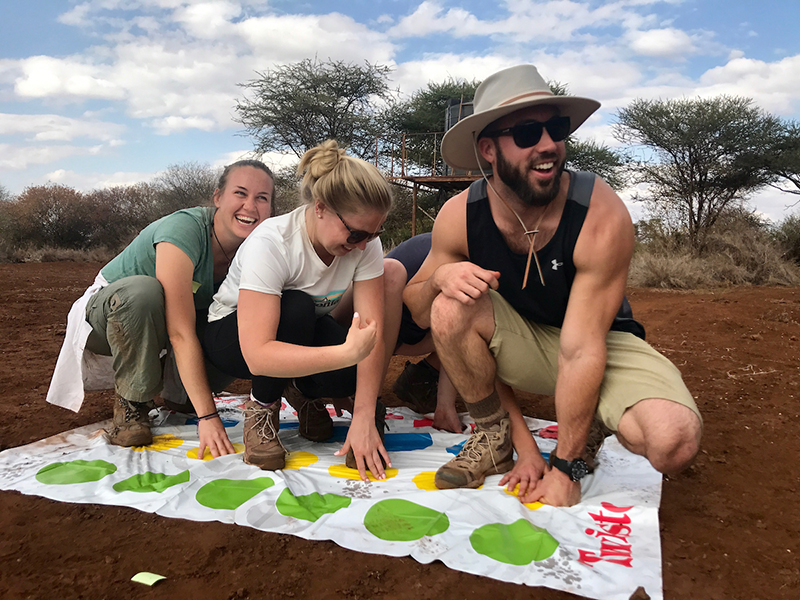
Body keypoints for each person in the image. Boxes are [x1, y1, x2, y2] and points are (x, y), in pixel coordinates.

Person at [403, 64, 702, 507]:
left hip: (600, 339)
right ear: (488, 149)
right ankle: (494, 440)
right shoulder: (459, 215)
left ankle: (590, 425)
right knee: (448, 306)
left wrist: (566, 465)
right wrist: (441, 277)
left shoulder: (599, 212)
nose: (548, 145)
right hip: (525, 341)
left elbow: (581, 348)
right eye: (526, 133)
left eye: (556, 128)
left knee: (671, 440)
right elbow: (417, 308)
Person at [46, 160, 275, 460]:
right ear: (218, 197)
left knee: (235, 318)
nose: (250, 206)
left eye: (262, 198)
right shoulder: (184, 230)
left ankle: (180, 396)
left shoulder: (260, 247)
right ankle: (132, 402)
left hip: (173, 328)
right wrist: (208, 417)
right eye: (240, 193)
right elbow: (179, 331)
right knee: (144, 292)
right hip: (112, 317)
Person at [204, 139, 393, 482]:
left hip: (302, 331)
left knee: (350, 373)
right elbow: (259, 355)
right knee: (297, 306)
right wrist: (346, 352)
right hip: (233, 339)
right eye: (355, 235)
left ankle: (302, 393)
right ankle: (262, 408)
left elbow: (370, 329)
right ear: (320, 207)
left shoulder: (366, 242)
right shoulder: (272, 242)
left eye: (373, 234)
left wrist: (365, 413)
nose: (363, 246)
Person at [383, 233, 462, 433]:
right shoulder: (464, 260)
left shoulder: (445, 240)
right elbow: (455, 329)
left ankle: (421, 378)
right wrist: (445, 405)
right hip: (383, 331)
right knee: (477, 323)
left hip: (391, 324)